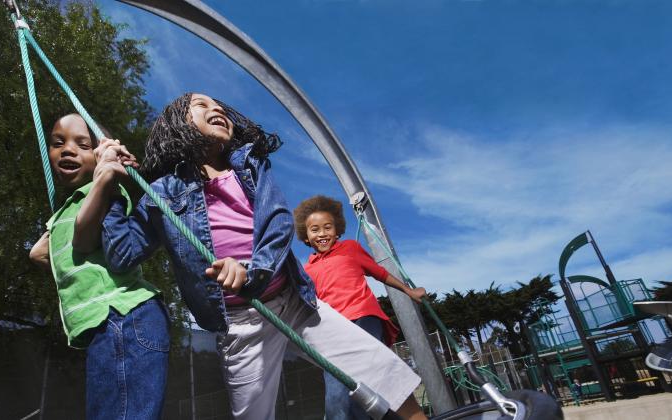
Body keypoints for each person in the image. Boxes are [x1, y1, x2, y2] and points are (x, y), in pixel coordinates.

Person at [95, 93, 427, 420]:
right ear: (176, 124)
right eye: (201, 105)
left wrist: (252, 272)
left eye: (220, 107)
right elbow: (123, 254)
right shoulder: (163, 193)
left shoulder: (250, 164)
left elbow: (277, 222)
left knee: (377, 365)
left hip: (291, 300)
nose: (216, 109)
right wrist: (110, 184)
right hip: (241, 324)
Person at [29, 113, 169, 419]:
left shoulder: (106, 192)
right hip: (106, 325)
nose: (67, 150)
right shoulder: (72, 205)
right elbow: (40, 254)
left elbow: (81, 241)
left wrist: (106, 174)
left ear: (101, 154)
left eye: (82, 144)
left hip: (124, 316)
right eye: (58, 143)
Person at [293, 195, 427, 420]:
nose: (322, 234)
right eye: (315, 230)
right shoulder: (307, 269)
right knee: (337, 397)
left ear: (337, 231)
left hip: (363, 317)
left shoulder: (350, 249)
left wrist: (409, 290)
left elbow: (380, 273)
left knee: (372, 376)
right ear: (306, 237)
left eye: (328, 227)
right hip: (335, 331)